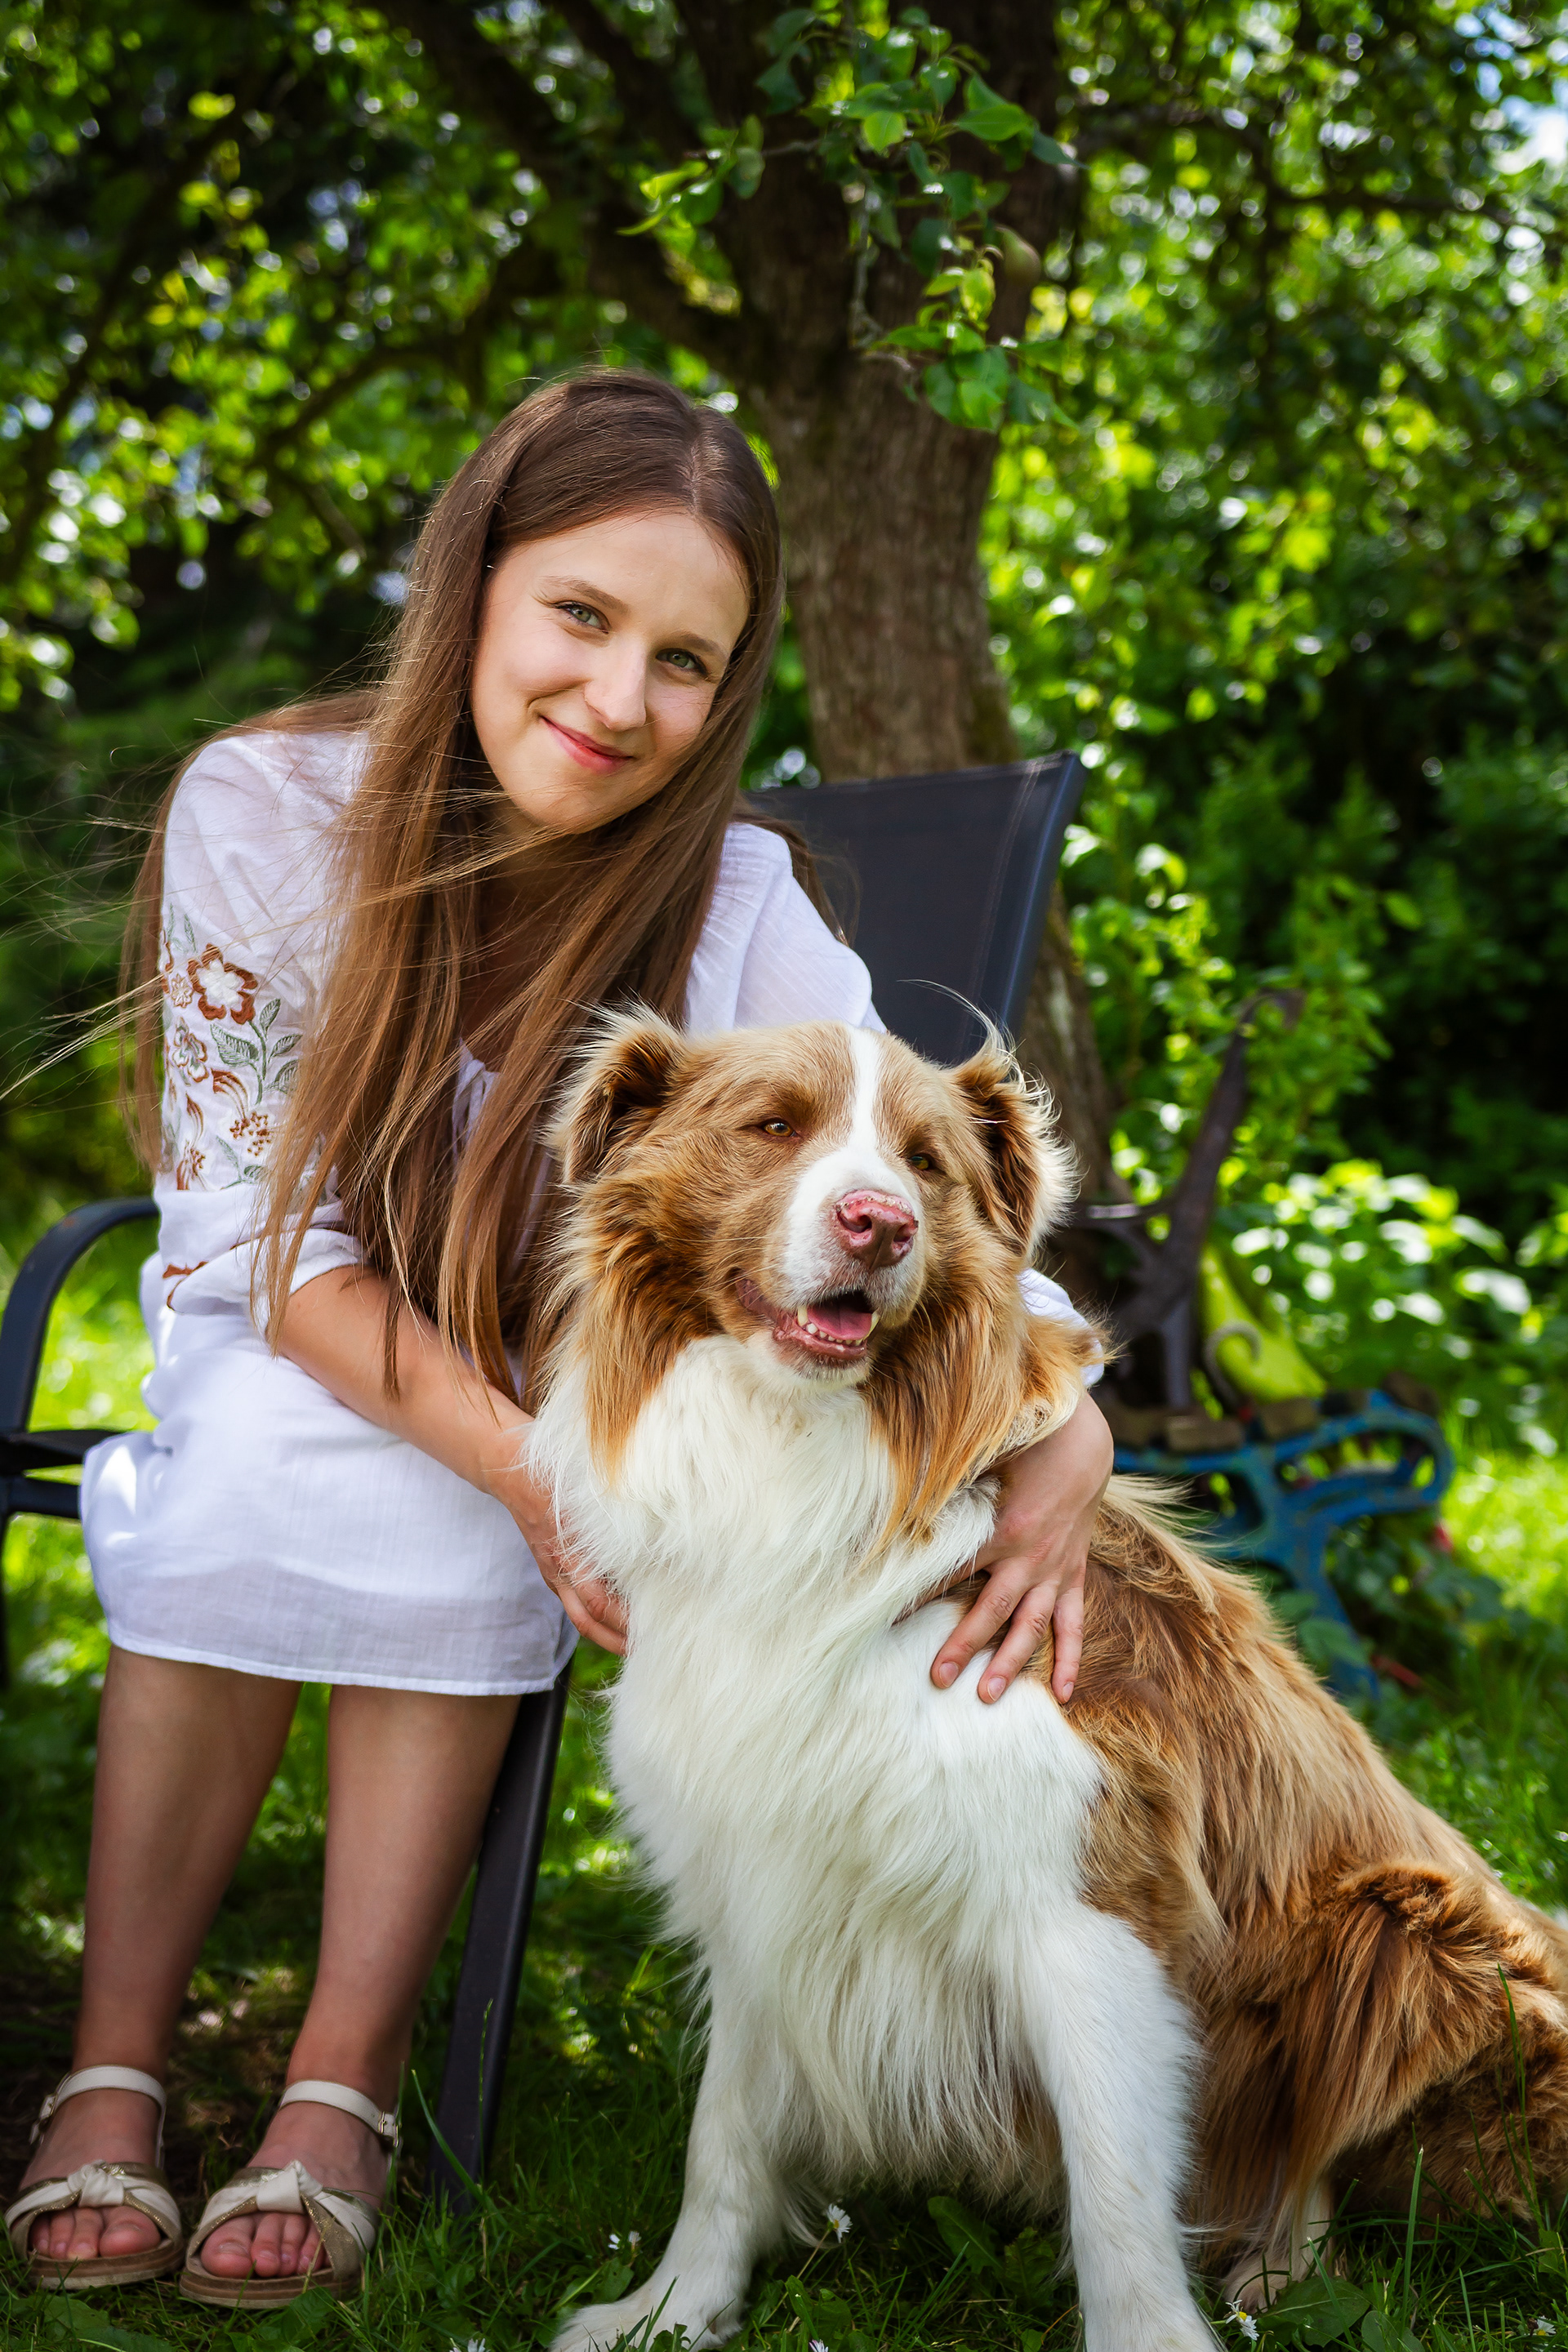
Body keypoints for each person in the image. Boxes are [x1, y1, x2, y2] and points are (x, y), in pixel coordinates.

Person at [6, 372, 1113, 2304]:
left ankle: (341, 2082)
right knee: (256, 1464)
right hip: (290, 1319)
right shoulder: (266, 810)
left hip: (536, 1370)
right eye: (580, 617)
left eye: (685, 661)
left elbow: (907, 1154)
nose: (619, 700)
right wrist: (524, 1464)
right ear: (476, 586)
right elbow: (263, 1245)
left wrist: (1069, 1417)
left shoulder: (731, 891)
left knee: (470, 1514)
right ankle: (116, 2060)